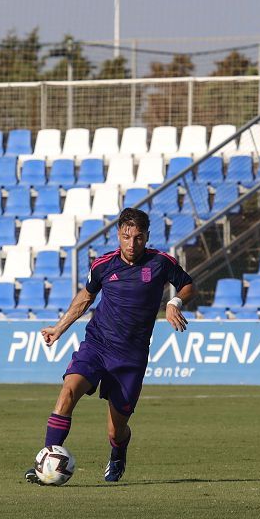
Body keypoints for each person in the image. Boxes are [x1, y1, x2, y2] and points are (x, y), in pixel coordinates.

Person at [25, 207, 196, 484]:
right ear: (118, 234)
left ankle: (118, 455)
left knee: (116, 431)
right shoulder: (103, 264)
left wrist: (175, 302)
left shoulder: (161, 262)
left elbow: (188, 285)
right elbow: (85, 298)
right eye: (126, 236)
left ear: (147, 237)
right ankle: (44, 462)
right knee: (68, 391)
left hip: (131, 356)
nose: (131, 244)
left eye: (138, 238)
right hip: (97, 345)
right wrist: (59, 328)